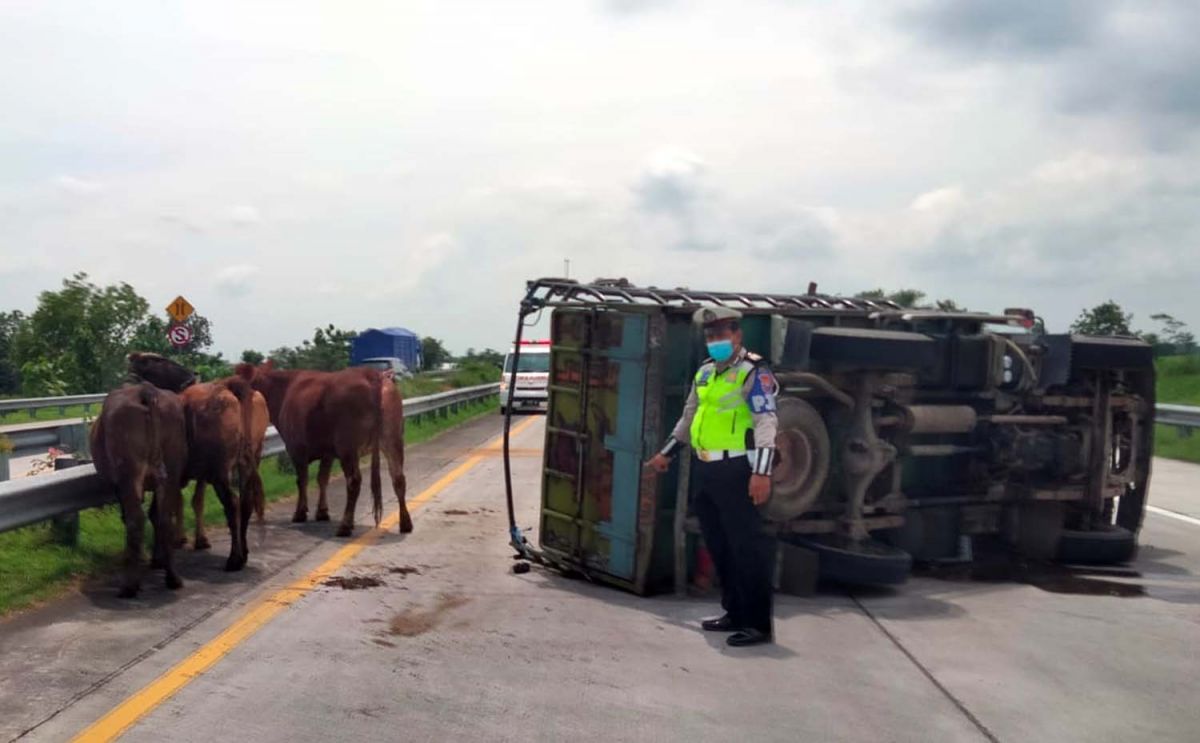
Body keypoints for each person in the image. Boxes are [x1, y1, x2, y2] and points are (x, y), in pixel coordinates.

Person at [646, 306, 778, 647]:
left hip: (738, 471)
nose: (715, 341)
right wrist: (667, 453)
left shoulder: (753, 371)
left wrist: (761, 473)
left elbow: (766, 422)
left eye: (721, 334)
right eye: (710, 336)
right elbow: (689, 418)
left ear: (737, 335)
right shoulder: (705, 373)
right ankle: (733, 611)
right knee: (720, 546)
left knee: (746, 548)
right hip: (707, 470)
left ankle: (758, 624)